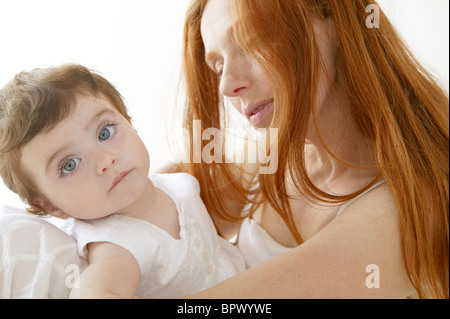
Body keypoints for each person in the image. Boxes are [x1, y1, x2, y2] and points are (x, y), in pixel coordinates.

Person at [175, 0, 449, 298]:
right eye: (217, 68)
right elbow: (142, 186)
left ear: (335, 22)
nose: (226, 86)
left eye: (250, 41)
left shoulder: (411, 205)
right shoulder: (268, 160)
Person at [0, 64, 245, 298]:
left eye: (104, 132)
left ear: (129, 121)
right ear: (52, 206)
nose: (105, 160)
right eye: (69, 165)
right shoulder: (117, 247)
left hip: (245, 272)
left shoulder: (164, 181)